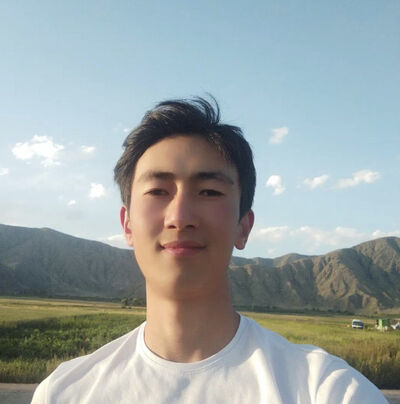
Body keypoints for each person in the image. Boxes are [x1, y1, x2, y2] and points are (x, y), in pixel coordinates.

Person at [31, 97, 388, 403]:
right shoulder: (64, 392)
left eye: (210, 192)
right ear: (127, 225)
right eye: (158, 191)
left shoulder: (325, 389)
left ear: (243, 226)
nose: (180, 217)